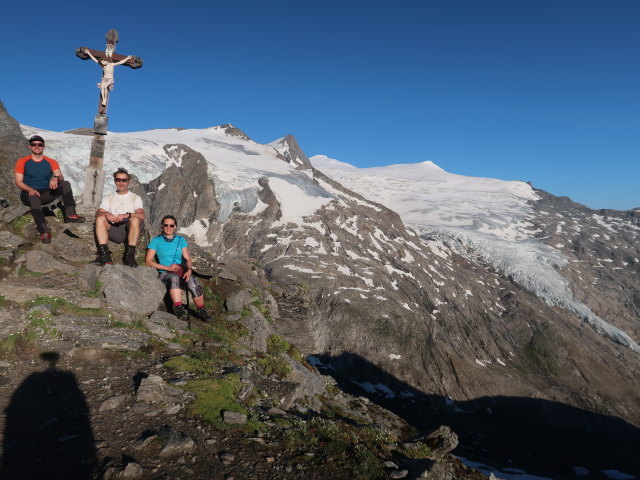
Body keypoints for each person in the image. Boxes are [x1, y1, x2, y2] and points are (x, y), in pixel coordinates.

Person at [14, 135, 85, 243]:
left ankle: (70, 214)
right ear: (30, 146)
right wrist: (30, 190)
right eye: (34, 144)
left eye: (40, 144)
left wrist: (55, 178)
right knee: (33, 197)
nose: (37, 146)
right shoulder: (22, 161)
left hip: (46, 193)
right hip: (28, 193)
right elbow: (19, 182)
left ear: (43, 146)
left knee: (65, 184)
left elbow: (60, 177)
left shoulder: (51, 161)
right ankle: (43, 230)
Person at [145, 215, 211, 322]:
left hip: (181, 270)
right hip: (166, 272)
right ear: (162, 226)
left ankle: (202, 310)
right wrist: (167, 267)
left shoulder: (181, 240)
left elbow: (187, 259)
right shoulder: (156, 241)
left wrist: (189, 270)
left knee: (193, 282)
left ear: (175, 227)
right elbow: (148, 261)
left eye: (171, 225)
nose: (168, 227)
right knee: (174, 278)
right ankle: (179, 309)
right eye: (166, 225)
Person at [94, 168, 145, 267]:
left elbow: (141, 215)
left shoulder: (135, 197)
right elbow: (98, 213)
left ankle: (129, 256)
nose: (121, 183)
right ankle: (105, 256)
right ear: (115, 181)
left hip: (130, 228)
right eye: (118, 180)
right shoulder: (108, 197)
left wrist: (128, 215)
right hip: (116, 230)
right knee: (100, 218)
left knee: (134, 219)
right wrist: (106, 214)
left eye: (124, 180)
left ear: (128, 182)